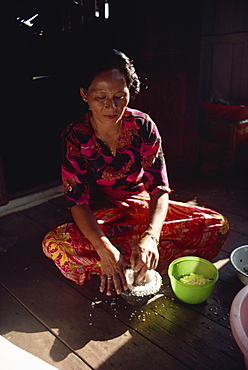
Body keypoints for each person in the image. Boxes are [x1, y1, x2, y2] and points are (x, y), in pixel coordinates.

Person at [42, 48, 229, 296]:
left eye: (120, 95)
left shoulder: (143, 126)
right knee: (55, 244)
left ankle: (132, 259)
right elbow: (77, 201)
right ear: (84, 94)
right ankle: (122, 259)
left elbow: (159, 188)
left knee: (217, 226)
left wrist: (151, 237)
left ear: (130, 92)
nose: (111, 106)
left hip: (137, 206)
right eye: (100, 97)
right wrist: (102, 245)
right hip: (99, 218)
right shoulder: (75, 136)